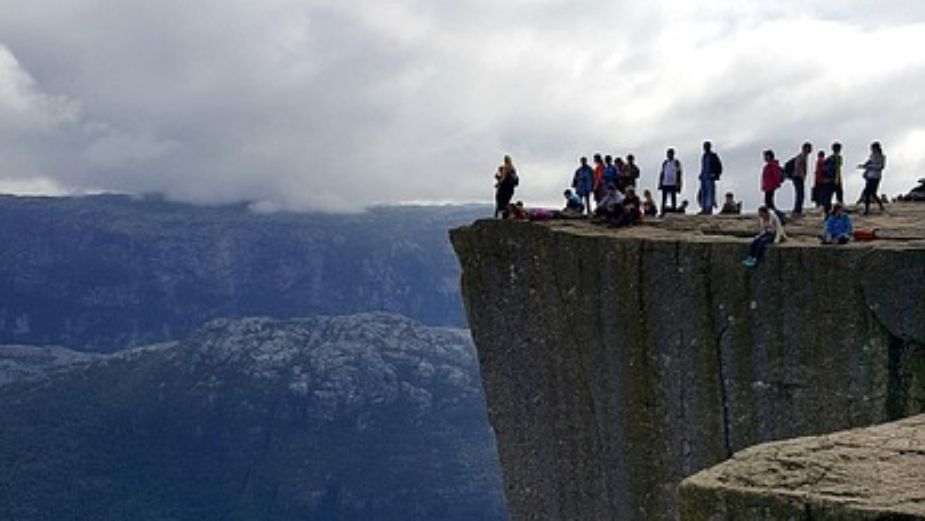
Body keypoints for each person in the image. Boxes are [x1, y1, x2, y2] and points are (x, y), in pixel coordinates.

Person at [858, 141, 886, 215]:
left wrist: (869, 166)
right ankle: (878, 205)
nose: (872, 150)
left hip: (876, 177)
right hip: (870, 176)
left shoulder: (882, 157)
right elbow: (868, 163)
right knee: (872, 193)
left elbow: (881, 167)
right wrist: (863, 166)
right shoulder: (872, 156)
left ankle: (867, 209)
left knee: (868, 192)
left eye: (873, 148)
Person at [698, 141, 723, 214]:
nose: (705, 148)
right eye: (704, 146)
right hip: (704, 177)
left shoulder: (713, 156)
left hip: (710, 177)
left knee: (710, 193)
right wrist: (701, 174)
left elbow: (719, 166)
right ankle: (704, 208)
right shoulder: (704, 156)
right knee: (703, 193)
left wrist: (716, 174)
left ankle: (709, 209)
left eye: (706, 146)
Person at [790, 142, 813, 215]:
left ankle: (797, 210)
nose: (811, 150)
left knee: (800, 194)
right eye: (809, 148)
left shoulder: (803, 156)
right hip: (798, 177)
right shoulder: (802, 156)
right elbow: (799, 166)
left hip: (797, 176)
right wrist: (802, 175)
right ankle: (797, 210)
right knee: (800, 194)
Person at [659, 148, 682, 216]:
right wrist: (660, 182)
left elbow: (679, 172)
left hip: (673, 183)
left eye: (670, 154)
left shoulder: (676, 162)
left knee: (673, 198)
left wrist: (678, 183)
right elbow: (662, 173)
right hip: (665, 183)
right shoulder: (665, 163)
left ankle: (674, 211)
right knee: (664, 199)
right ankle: (662, 212)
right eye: (668, 154)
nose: (669, 155)